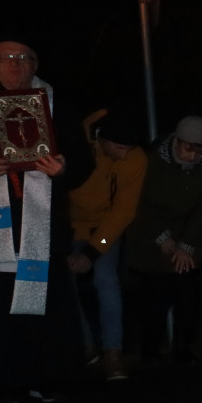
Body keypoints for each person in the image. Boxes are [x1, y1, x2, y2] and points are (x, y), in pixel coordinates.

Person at [0, 34, 93, 403]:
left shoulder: (57, 104)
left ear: (36, 64)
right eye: (5, 57)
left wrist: (64, 168)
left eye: (22, 57)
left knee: (45, 308)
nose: (14, 64)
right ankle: (0, 385)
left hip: (43, 227)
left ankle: (45, 379)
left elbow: (83, 160)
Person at [125, 115, 202, 364]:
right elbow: (141, 205)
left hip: (186, 237)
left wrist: (186, 245)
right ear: (177, 141)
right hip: (150, 236)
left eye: (199, 150)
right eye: (189, 148)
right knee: (158, 293)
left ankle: (183, 347)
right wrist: (164, 239)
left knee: (188, 290)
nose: (193, 156)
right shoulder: (151, 161)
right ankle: (149, 350)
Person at [69, 108, 147, 380]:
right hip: (68, 228)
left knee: (107, 281)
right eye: (119, 147)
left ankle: (113, 352)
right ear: (101, 139)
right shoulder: (77, 144)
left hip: (104, 230)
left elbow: (123, 212)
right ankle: (85, 344)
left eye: (129, 148)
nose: (124, 154)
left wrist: (93, 250)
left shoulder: (136, 160)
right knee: (63, 284)